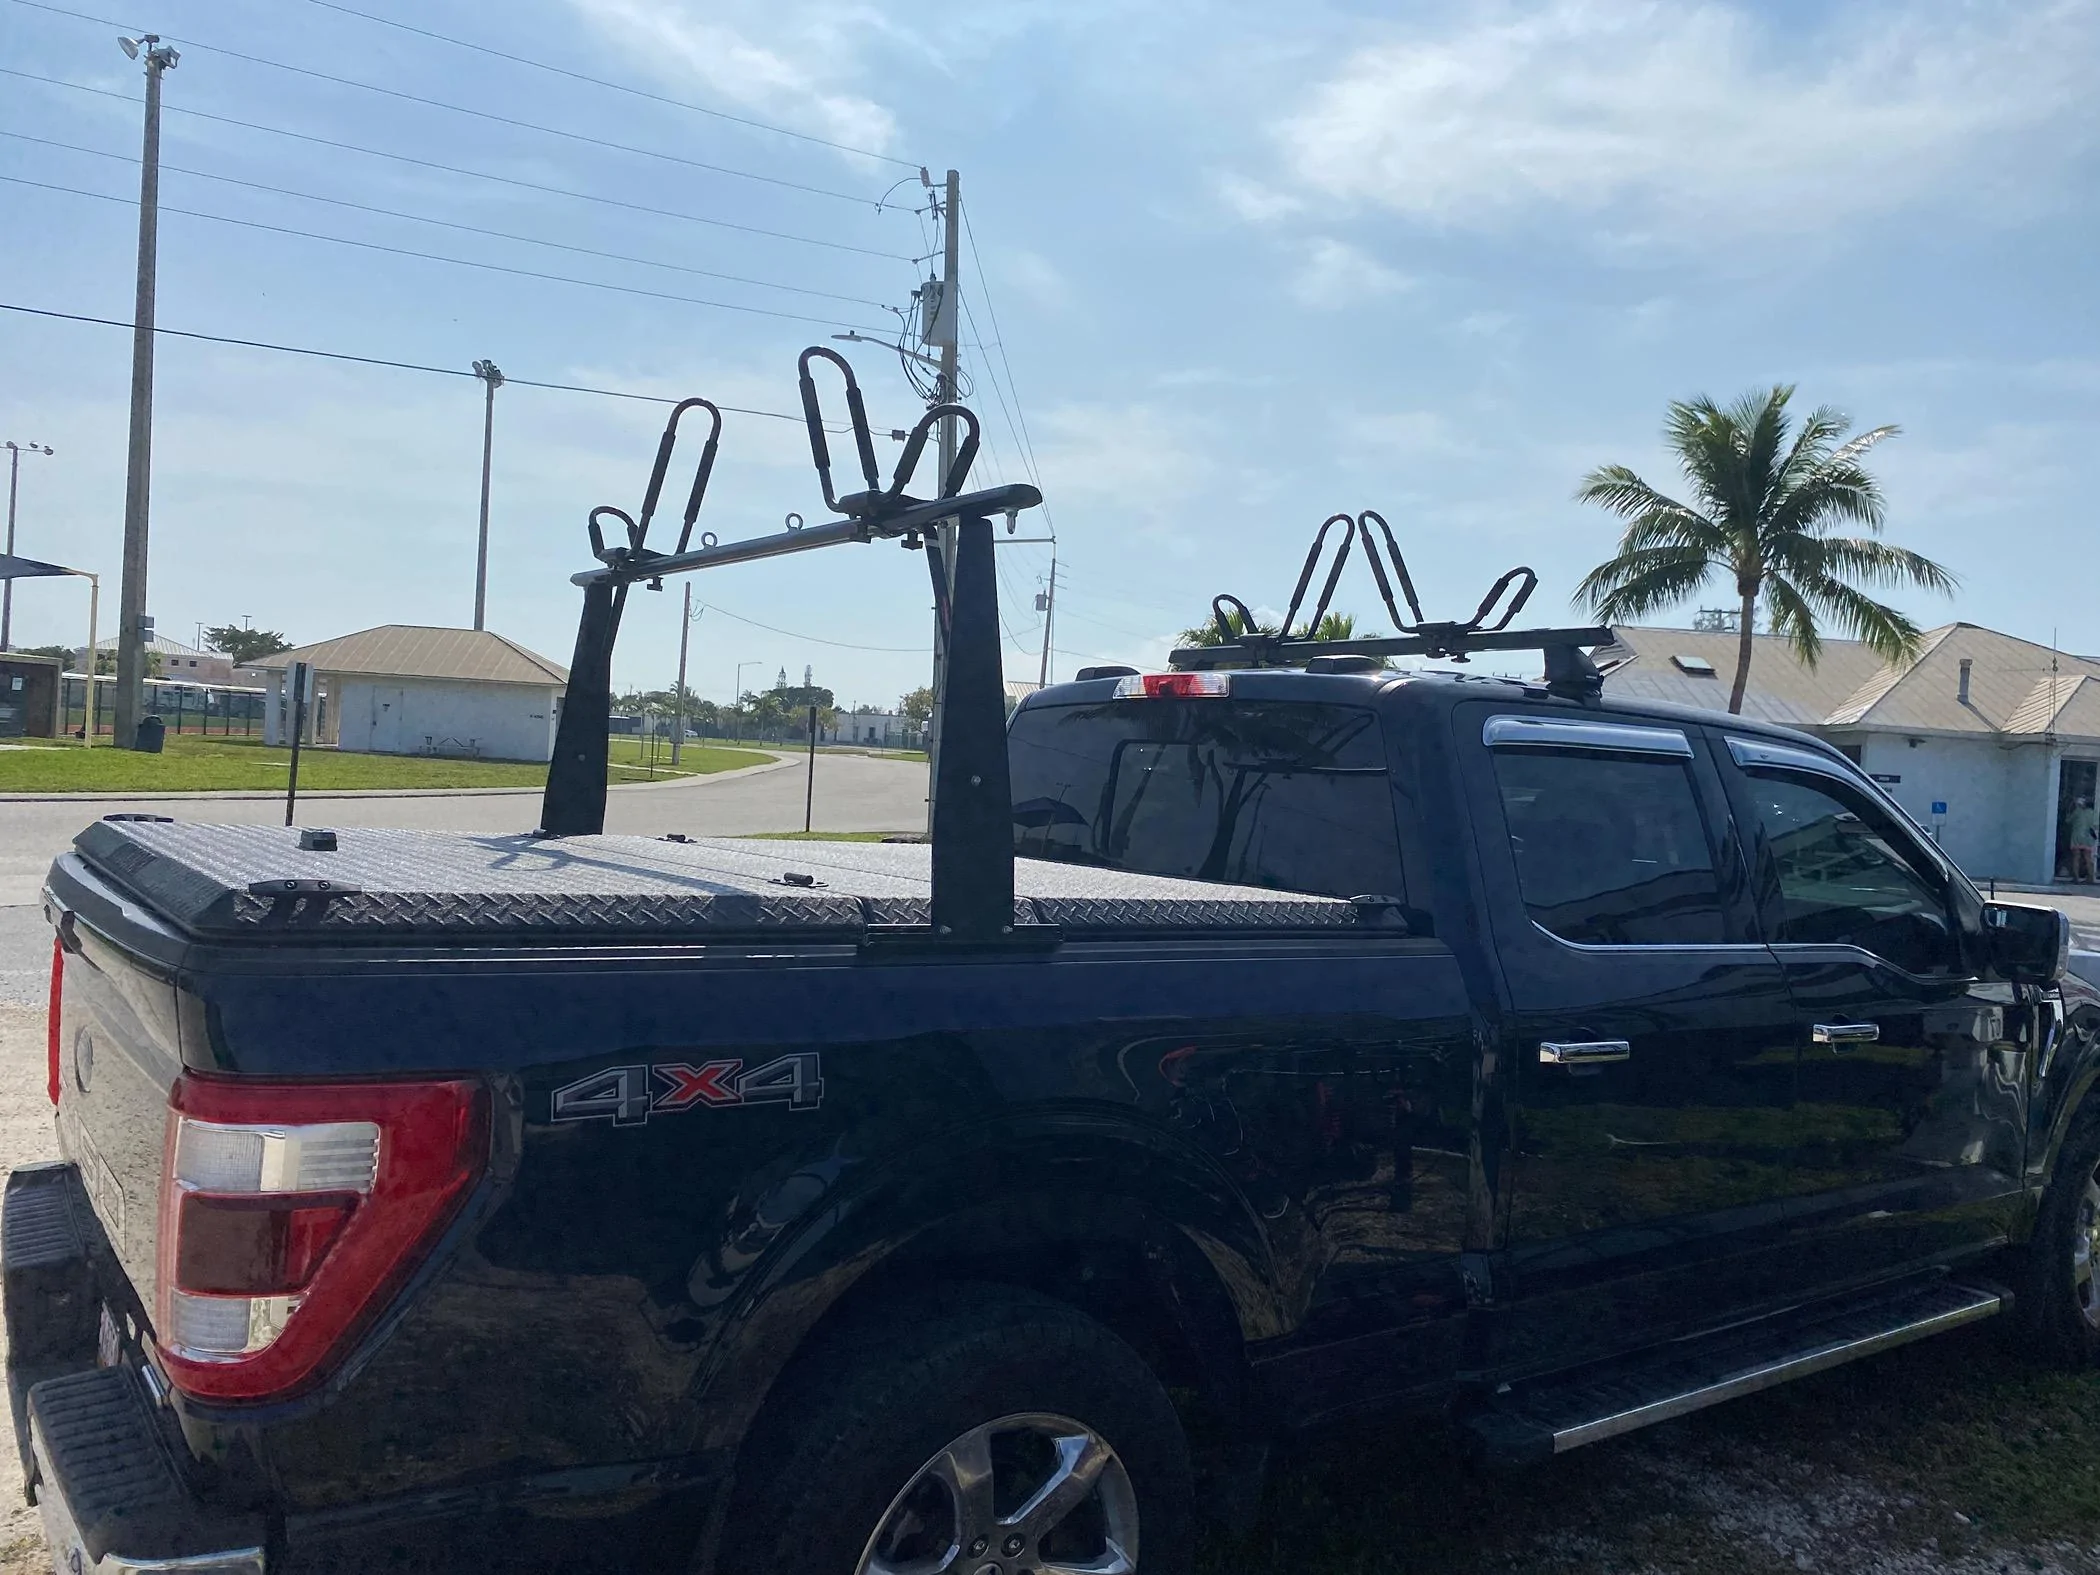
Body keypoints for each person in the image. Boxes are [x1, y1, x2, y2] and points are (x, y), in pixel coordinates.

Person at [2072, 796, 2098, 882]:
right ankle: (2090, 877)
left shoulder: (2077, 812)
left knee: (2076, 857)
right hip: (2088, 837)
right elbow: (2095, 824)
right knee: (2088, 857)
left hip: (2077, 837)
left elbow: (2068, 820)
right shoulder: (2092, 813)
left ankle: (2076, 877)